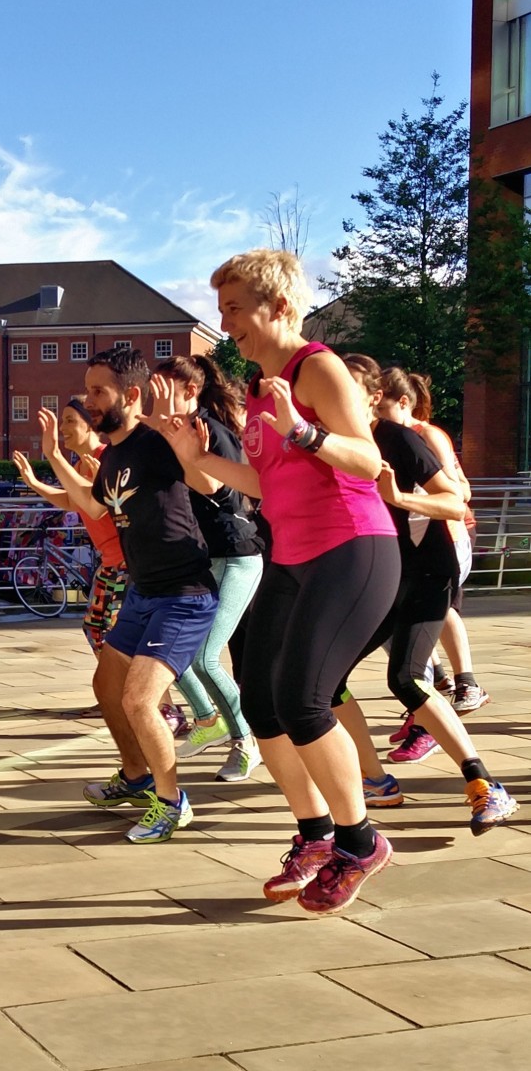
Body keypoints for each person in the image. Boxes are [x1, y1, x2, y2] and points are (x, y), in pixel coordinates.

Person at [171, 250, 400, 914]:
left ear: (276, 307)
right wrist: (197, 458)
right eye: (221, 310)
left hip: (352, 549)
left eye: (234, 308)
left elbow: (366, 458)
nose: (225, 322)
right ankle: (315, 835)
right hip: (292, 554)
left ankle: (360, 842)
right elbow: (263, 486)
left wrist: (303, 430)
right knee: (261, 701)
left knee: (303, 700)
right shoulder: (255, 388)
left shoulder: (316, 367)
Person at [41, 347, 219, 844]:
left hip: (184, 594)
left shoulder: (157, 441)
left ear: (132, 395)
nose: (89, 400)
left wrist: (176, 432)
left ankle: (172, 802)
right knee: (106, 687)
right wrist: (54, 455)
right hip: (144, 592)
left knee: (140, 700)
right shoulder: (114, 453)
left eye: (99, 391)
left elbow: (205, 483)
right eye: (88, 389)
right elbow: (95, 504)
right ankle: (136, 776)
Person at [337, 355, 517, 834]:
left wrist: (401, 498)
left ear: (374, 398)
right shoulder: (331, 443)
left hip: (425, 574)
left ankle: (485, 785)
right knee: (325, 680)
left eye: (346, 387)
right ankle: (375, 780)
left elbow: (454, 501)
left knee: (407, 679)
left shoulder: (397, 438)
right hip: (375, 577)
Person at [151, 355, 264, 782]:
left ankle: (246, 740)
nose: (156, 399)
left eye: (164, 391)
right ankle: (208, 719)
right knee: (177, 652)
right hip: (203, 557)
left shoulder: (208, 431)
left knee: (203, 656)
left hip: (237, 555)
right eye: (152, 391)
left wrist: (186, 452)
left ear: (190, 393)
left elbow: (216, 489)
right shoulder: (169, 432)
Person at [376, 369, 488, 716]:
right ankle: (435, 681)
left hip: (448, 534)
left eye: (381, 410)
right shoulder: (384, 438)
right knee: (397, 621)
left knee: (442, 608)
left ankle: (463, 682)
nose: (376, 419)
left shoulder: (423, 435)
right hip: (409, 538)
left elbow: (459, 492)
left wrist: (407, 498)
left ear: (403, 403)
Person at [12, 399, 129, 655]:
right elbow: (70, 501)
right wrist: (34, 484)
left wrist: (53, 454)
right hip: (108, 563)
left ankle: (127, 691)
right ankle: (116, 690)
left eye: (70, 420)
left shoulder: (107, 457)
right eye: (62, 420)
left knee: (113, 632)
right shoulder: (78, 466)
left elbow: (98, 504)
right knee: (95, 629)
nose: (63, 427)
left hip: (126, 563)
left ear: (90, 425)